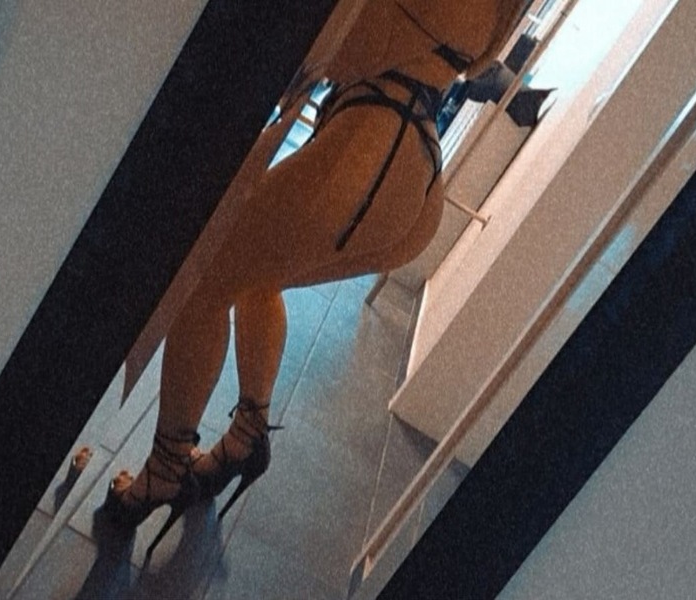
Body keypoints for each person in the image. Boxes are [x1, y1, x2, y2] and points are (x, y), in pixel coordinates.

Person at [103, 0, 528, 554]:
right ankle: (246, 438)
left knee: (205, 284)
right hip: (409, 159)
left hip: (368, 152)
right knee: (257, 278)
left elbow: (346, 47)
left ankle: (165, 470)